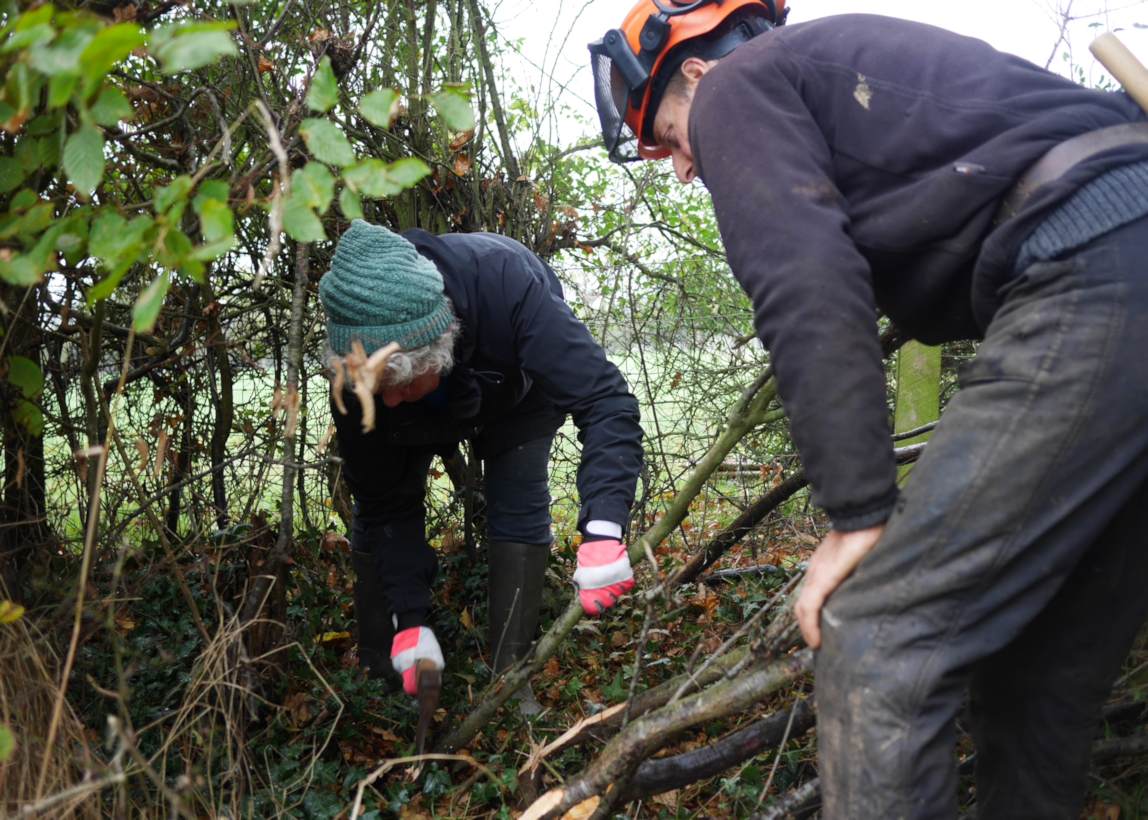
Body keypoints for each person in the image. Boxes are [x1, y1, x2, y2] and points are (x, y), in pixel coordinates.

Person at [591, 2, 1148, 816]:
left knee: (879, 644)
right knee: (1037, 678)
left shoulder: (739, 87)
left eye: (670, 135)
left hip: (1095, 274)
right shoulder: (842, 75)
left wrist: (857, 512)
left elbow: (805, 280)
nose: (681, 164)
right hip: (1124, 268)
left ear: (700, 74)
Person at [319, 220, 643, 710]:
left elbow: (605, 400)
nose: (390, 401)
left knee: (517, 499)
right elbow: (384, 504)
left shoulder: (507, 286)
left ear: (440, 346)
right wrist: (410, 620)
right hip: (445, 393)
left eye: (401, 384)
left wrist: (603, 529)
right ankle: (384, 666)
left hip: (516, 389)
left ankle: (510, 680)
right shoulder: (364, 389)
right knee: (379, 504)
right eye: (375, 388)